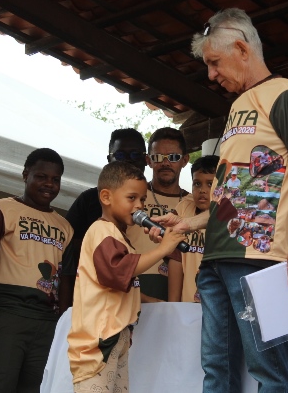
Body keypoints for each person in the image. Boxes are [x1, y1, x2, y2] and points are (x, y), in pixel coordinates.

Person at [150, 8, 288, 392]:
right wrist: (189, 223)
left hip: (259, 256)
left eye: (214, 62)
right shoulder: (238, 106)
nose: (211, 74)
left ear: (242, 50)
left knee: (268, 372)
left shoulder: (286, 93)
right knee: (216, 369)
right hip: (216, 258)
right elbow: (234, 191)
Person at [67, 161, 185, 393]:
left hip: (116, 335)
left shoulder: (118, 236)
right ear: (106, 197)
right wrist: (162, 249)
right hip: (98, 340)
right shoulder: (102, 231)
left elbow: (123, 287)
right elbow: (119, 271)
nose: (139, 205)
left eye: (142, 199)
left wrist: (151, 300)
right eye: (132, 198)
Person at [0, 148, 74, 393]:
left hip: (45, 318)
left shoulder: (65, 226)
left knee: (36, 388)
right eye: (41, 177)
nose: (49, 184)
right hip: (6, 310)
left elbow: (66, 278)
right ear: (25, 174)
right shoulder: (3, 209)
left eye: (55, 179)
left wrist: (61, 319)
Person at [58, 128, 147, 313]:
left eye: (135, 154)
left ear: (146, 159)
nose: (128, 160)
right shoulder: (91, 205)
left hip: (130, 296)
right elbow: (67, 244)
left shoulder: (148, 202)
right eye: (120, 155)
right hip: (98, 304)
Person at [126, 127, 190, 302]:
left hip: (181, 288)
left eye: (173, 157)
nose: (165, 163)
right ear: (148, 160)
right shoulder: (130, 196)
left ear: (185, 160)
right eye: (158, 157)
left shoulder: (193, 204)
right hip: (133, 284)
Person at [167, 155, 219, 302]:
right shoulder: (184, 208)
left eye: (210, 184)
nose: (202, 190)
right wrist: (174, 305)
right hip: (188, 303)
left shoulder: (231, 217)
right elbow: (176, 260)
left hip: (217, 302)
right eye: (197, 184)